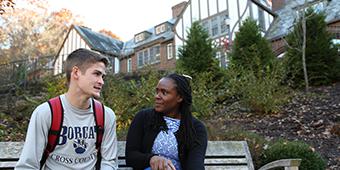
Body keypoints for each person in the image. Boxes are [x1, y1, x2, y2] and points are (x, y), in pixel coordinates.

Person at [16, 48, 118, 170]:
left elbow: (109, 162)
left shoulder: (106, 115)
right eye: (96, 74)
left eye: (103, 76)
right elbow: (28, 165)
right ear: (76, 73)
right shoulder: (46, 113)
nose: (101, 81)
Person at [125, 73, 208, 170]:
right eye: (157, 91)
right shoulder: (143, 118)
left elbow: (195, 165)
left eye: (164, 93)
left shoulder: (196, 128)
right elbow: (131, 156)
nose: (157, 96)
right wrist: (151, 159)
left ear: (179, 97)